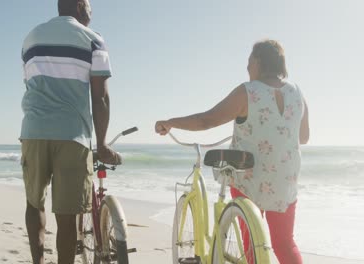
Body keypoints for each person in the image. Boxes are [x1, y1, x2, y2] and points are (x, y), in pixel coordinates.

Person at [155, 39, 309, 264]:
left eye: (249, 61)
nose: (247, 67)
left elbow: (206, 120)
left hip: (249, 178)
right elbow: (303, 137)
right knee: (285, 243)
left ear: (258, 61)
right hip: (284, 180)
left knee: (252, 245)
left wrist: (170, 123)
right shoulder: (297, 93)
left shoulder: (249, 91)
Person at [20, 0, 120, 263]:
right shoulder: (94, 40)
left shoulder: (31, 38)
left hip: (33, 131)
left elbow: (30, 85)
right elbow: (100, 98)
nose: (91, 9)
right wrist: (101, 143)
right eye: (89, 4)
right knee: (67, 217)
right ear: (79, 6)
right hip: (72, 135)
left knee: (34, 203)